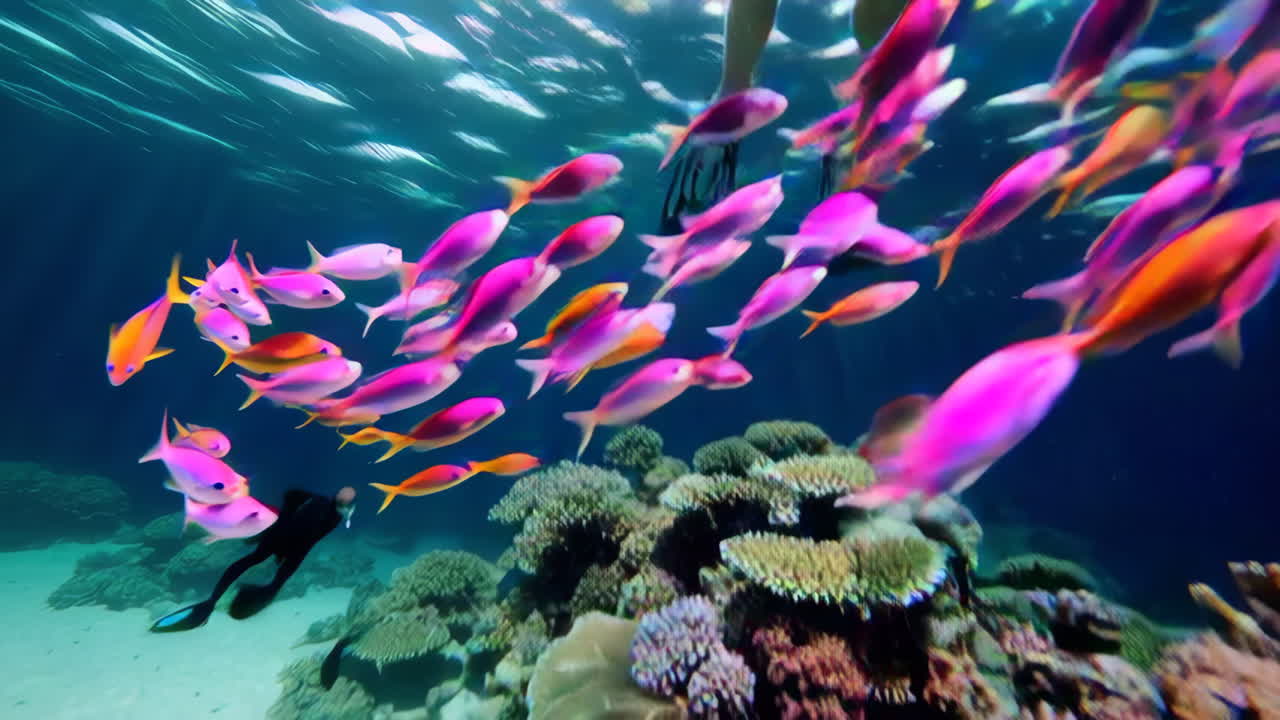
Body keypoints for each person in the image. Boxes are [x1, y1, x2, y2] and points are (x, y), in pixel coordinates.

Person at [150, 486, 357, 632]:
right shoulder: (332, 513)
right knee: (271, 577)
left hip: (283, 539)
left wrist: (283, 517)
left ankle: (211, 602)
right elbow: (297, 505)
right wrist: (284, 519)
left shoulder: (326, 507)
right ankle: (214, 602)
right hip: (291, 544)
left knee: (251, 564)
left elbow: (291, 495)